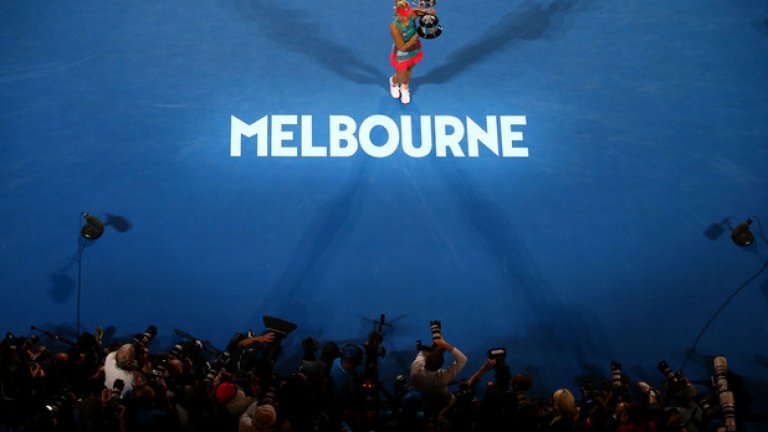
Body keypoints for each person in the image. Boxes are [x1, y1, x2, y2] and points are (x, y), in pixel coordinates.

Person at [389, 0, 436, 104]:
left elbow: (426, 13)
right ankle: (393, 82)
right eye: (403, 15)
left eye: (407, 14)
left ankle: (405, 87)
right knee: (401, 76)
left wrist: (430, 14)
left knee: (409, 70)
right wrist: (418, 34)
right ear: (397, 14)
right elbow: (402, 47)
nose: (406, 17)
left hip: (415, 49)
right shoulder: (395, 27)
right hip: (402, 54)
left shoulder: (412, 13)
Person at [410, 337, 467, 417]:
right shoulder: (442, 379)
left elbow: (423, 353)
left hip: (422, 392)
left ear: (425, 360)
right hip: (441, 398)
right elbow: (463, 359)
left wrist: (434, 345)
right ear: (440, 366)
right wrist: (445, 344)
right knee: (451, 399)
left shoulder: (416, 366)